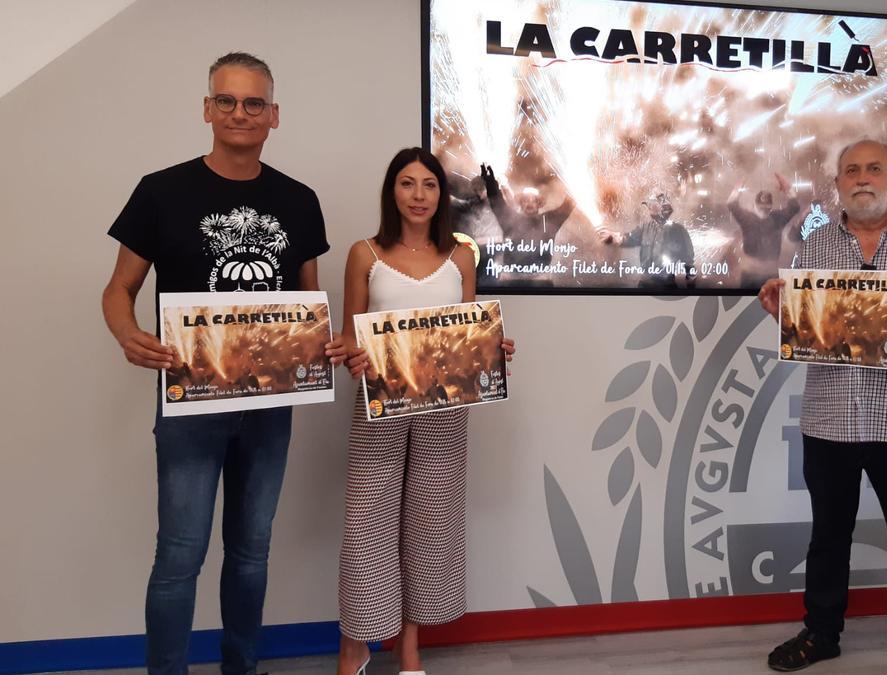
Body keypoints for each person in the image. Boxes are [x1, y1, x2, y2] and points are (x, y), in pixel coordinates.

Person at [101, 52, 345, 674]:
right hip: (191, 407)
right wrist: (128, 334)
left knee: (251, 551)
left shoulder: (299, 200)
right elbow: (118, 288)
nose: (241, 113)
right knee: (179, 553)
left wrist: (329, 343)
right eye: (228, 101)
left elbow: (306, 301)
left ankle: (242, 667)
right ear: (207, 109)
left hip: (270, 405)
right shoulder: (160, 191)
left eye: (254, 103)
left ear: (274, 116)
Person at [758, 138, 887, 675]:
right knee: (828, 535)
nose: (862, 177)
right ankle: (822, 632)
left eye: (874, 168)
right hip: (831, 417)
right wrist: (782, 312)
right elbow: (809, 328)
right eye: (851, 170)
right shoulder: (818, 245)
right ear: (837, 185)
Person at [336, 147, 515, 675]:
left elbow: (468, 335)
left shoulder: (461, 256)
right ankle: (357, 643)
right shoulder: (364, 253)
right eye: (408, 184)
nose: (419, 195)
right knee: (367, 522)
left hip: (444, 407)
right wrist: (351, 355)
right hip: (380, 403)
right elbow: (350, 336)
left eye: (429, 185)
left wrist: (493, 349)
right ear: (392, 191)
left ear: (442, 194)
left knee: (430, 522)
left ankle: (408, 645)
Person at [479, 163, 574, 287]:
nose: (529, 203)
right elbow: (496, 201)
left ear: (539, 204)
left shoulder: (550, 219)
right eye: (525, 200)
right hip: (510, 282)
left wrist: (575, 180)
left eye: (533, 200)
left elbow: (568, 206)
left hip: (540, 282)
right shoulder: (510, 218)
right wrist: (491, 183)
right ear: (521, 204)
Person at [597, 192, 697, 289]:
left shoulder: (678, 231)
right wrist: (611, 237)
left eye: (653, 205)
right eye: (649, 205)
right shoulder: (644, 228)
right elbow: (627, 239)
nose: (650, 208)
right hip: (644, 285)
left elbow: (688, 261)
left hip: (667, 287)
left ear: (664, 208)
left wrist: (691, 287)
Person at [727, 173, 803, 286]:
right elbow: (795, 206)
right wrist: (788, 189)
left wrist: (737, 190)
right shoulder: (772, 218)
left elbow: (731, 204)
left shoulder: (752, 218)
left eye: (765, 209)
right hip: (756, 275)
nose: (763, 211)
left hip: (764, 275)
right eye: (762, 208)